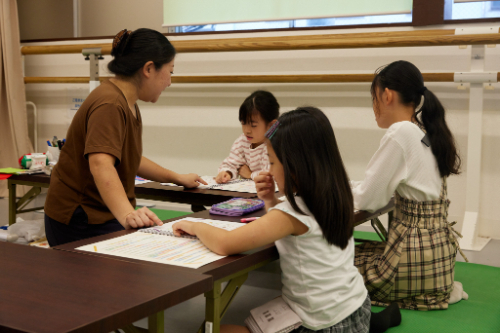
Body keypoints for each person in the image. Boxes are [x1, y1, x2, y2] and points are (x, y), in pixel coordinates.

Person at [174, 107, 376, 333]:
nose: (268, 171)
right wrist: (270, 199)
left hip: (322, 326)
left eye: (271, 162)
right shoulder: (336, 194)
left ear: (294, 167)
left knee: (212, 331)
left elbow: (225, 243)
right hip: (356, 309)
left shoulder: (292, 213)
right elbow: (296, 223)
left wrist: (194, 225)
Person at [44, 28, 206, 247]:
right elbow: (101, 164)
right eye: (170, 72)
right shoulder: (110, 103)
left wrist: (175, 177)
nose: (169, 82)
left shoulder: (126, 101)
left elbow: (128, 158)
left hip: (99, 212)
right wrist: (128, 214)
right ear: (149, 68)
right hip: (80, 217)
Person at [352, 60, 466, 311]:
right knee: (360, 250)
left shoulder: (400, 132)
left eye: (374, 97)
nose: (374, 106)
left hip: (415, 257)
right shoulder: (422, 131)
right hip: (436, 257)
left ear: (387, 95)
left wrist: (332, 190)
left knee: (337, 264)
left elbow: (368, 200)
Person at [215, 90, 279, 184]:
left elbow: (273, 174)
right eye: (243, 123)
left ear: (271, 125)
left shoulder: (276, 142)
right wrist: (226, 172)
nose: (247, 130)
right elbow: (231, 163)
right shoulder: (242, 141)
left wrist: (250, 174)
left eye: (253, 125)